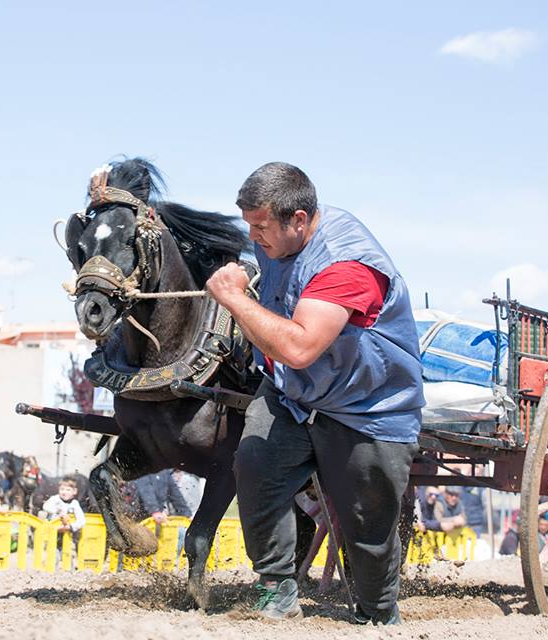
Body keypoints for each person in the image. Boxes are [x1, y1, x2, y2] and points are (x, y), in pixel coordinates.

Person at [206, 162, 424, 623]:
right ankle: (275, 590)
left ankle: (378, 612)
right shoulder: (276, 237)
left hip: (365, 405)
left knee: (367, 527)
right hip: (293, 393)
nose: (253, 237)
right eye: (249, 225)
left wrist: (235, 299)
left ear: (299, 220)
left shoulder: (347, 265)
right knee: (255, 465)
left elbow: (299, 348)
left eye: (260, 227)